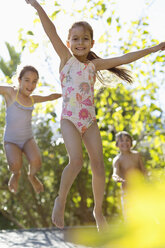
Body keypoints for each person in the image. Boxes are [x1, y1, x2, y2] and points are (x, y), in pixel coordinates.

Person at [25, 0, 165, 231]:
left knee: (98, 165)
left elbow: (124, 58)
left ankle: (97, 210)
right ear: (69, 43)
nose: (80, 43)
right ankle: (60, 200)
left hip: (89, 121)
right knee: (77, 161)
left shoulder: (94, 65)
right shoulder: (65, 59)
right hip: (70, 119)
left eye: (85, 39)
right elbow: (50, 30)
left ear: (92, 43)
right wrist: (37, 6)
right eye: (76, 39)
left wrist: (152, 49)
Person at [1, 65, 61, 195]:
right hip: (11, 141)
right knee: (14, 165)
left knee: (37, 162)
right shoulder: (11, 93)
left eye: (34, 81)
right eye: (27, 80)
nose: (31, 84)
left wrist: (66, 92)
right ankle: (16, 174)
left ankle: (32, 176)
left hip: (28, 139)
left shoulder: (32, 99)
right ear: (19, 80)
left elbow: (50, 96)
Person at [112, 131, 146, 217]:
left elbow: (143, 170)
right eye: (121, 141)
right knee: (129, 214)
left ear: (131, 143)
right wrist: (116, 178)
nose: (125, 142)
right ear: (117, 144)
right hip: (127, 191)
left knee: (142, 213)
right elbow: (115, 173)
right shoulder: (118, 159)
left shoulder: (136, 155)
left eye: (127, 140)